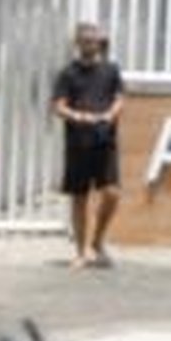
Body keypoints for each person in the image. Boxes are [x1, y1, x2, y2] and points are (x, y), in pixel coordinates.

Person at [53, 21, 125, 268]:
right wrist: (80, 117)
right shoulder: (68, 73)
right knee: (79, 198)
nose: (89, 44)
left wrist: (110, 115)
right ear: (77, 43)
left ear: (99, 43)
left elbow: (119, 99)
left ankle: (97, 241)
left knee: (112, 193)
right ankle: (81, 252)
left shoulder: (111, 70)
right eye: (84, 40)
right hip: (78, 143)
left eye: (93, 40)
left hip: (106, 141)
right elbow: (59, 106)